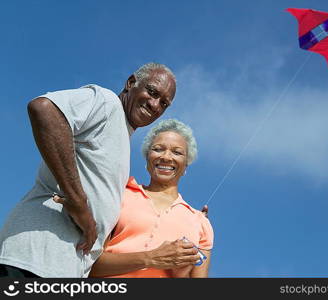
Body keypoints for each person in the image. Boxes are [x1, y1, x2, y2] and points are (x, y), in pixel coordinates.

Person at [0, 63, 179, 278]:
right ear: (131, 83)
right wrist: (78, 202)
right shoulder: (107, 102)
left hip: (63, 268)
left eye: (164, 103)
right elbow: (45, 109)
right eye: (152, 92)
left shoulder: (122, 137)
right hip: (33, 259)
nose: (155, 105)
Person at [88, 119, 214, 278]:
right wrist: (151, 258)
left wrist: (180, 271)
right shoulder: (119, 196)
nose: (166, 157)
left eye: (177, 152)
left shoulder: (200, 223)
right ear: (147, 158)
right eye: (158, 149)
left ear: (186, 165)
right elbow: (88, 266)